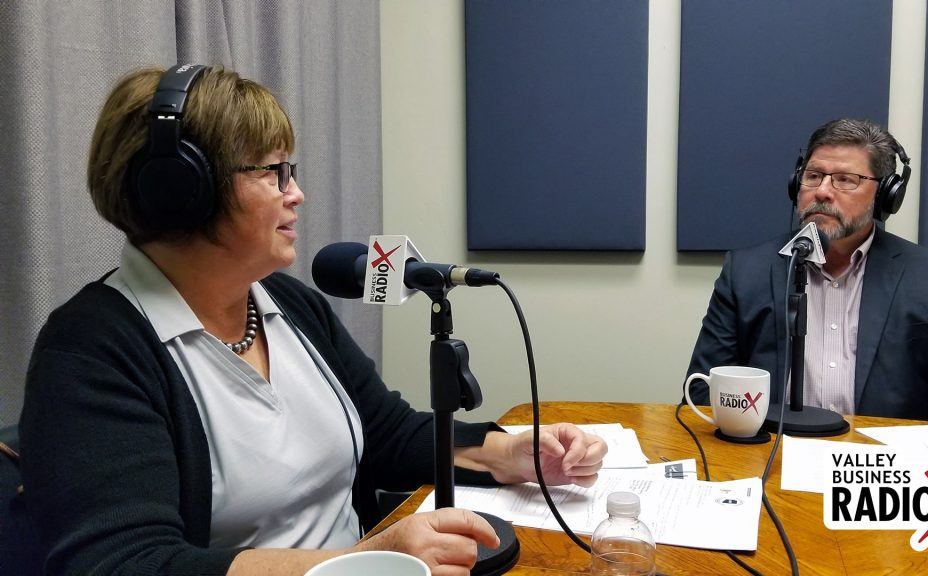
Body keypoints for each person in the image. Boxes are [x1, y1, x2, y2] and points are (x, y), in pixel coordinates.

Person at [19, 64, 607, 576]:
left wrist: (509, 453)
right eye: (272, 172)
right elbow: (122, 564)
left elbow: (388, 434)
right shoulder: (91, 350)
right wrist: (363, 563)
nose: (296, 193)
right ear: (182, 192)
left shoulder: (288, 304)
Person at [687, 118, 928, 426]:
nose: (822, 192)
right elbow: (703, 394)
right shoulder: (746, 272)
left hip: (881, 468)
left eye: (845, 180)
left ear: (885, 195)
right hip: (772, 457)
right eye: (813, 176)